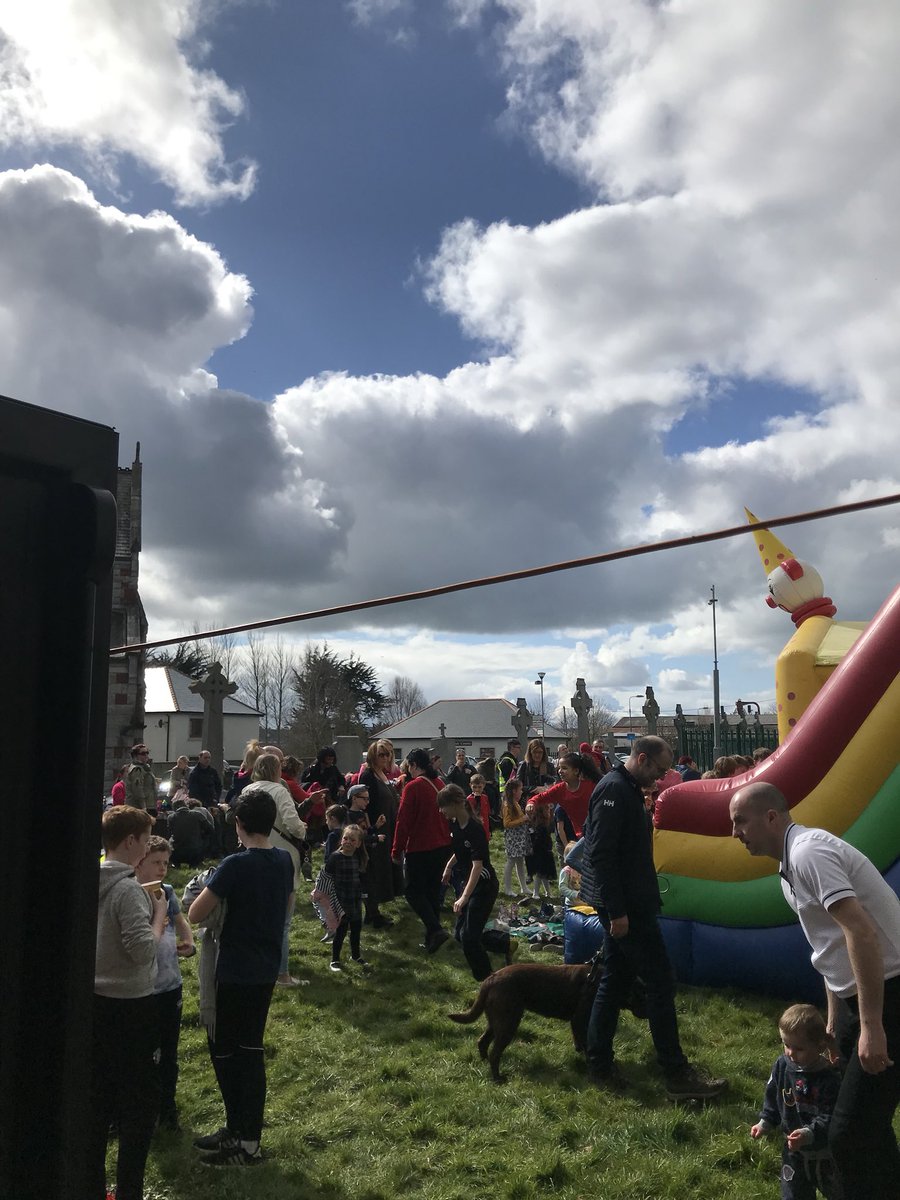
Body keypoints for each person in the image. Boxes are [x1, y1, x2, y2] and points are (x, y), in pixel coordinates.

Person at [730, 781, 900, 1199]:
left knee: (847, 1135)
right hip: (858, 1000)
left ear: (772, 817)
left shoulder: (808, 853)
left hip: (890, 995)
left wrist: (872, 1025)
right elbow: (831, 948)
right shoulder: (788, 867)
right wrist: (833, 1021)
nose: (734, 833)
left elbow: (860, 932)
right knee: (867, 1126)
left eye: (740, 822)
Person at [581, 735, 727, 1100]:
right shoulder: (614, 790)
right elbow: (601, 855)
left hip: (631, 903)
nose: (662, 778)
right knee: (660, 982)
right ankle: (675, 1073)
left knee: (614, 981)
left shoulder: (626, 788)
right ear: (641, 758)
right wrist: (616, 912)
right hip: (626, 907)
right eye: (660, 770)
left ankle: (598, 1062)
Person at [188, 788, 294, 1167]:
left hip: (233, 970)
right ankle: (239, 1130)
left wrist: (206, 886)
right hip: (264, 968)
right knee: (249, 1051)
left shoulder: (235, 864)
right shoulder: (283, 861)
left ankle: (246, 1142)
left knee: (228, 1054)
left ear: (239, 824)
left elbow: (196, 914)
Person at [87, 806, 168, 1200]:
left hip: (95, 1003)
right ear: (131, 841)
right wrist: (159, 917)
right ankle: (129, 1191)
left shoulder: (89, 881)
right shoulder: (128, 890)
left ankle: (93, 1184)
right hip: (131, 1005)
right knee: (139, 1108)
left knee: (98, 1102)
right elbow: (141, 952)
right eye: (146, 838)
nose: (148, 846)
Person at [750, 1003, 843, 1199]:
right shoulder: (783, 1066)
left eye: (799, 1048)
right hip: (793, 1153)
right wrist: (765, 1121)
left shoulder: (829, 1078)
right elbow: (774, 1096)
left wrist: (808, 1133)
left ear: (820, 1046)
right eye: (786, 1045)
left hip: (824, 1155)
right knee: (794, 1195)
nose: (791, 1053)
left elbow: (832, 1116)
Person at [135, 834, 195, 1131]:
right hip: (142, 986)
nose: (161, 869)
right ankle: (139, 1109)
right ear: (139, 863)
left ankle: (167, 1109)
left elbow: (180, 919)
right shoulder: (132, 894)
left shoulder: (167, 891)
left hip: (170, 983)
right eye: (155, 862)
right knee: (145, 1052)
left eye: (165, 863)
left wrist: (188, 940)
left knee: (169, 1053)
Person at [438, 785, 513, 980]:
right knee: (460, 935)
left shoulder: (475, 829)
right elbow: (460, 849)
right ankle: (504, 944)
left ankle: (489, 980)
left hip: (484, 887)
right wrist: (448, 867)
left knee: (470, 938)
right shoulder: (455, 824)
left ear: (456, 804)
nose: (441, 810)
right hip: (470, 884)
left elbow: (477, 867)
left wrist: (463, 897)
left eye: (443, 806)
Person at [251, 752, 307, 987]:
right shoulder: (279, 791)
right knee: (282, 921)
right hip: (282, 855)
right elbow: (294, 824)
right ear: (276, 770)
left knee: (258, 915)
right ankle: (282, 974)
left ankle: (259, 967)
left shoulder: (248, 791)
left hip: (254, 854)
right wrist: (303, 829)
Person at [391, 746, 451, 954]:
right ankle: (431, 939)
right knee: (432, 893)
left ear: (414, 765)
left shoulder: (413, 787)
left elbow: (403, 821)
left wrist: (396, 849)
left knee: (413, 892)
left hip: (420, 847)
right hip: (442, 846)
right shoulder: (440, 783)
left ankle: (435, 929)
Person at [324, 824, 370, 972]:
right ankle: (335, 960)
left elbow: (362, 879)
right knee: (341, 931)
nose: (348, 842)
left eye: (352, 840)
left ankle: (356, 956)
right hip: (340, 900)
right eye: (346, 838)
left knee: (356, 929)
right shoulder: (335, 857)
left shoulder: (359, 858)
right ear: (341, 840)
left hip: (355, 899)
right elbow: (327, 876)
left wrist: (364, 894)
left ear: (359, 843)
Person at [539, 751, 601, 840]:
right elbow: (541, 797)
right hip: (582, 835)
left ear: (576, 771)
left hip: (595, 833)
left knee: (571, 854)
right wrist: (531, 803)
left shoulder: (590, 786)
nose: (560, 771)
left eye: (564, 768)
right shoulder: (560, 788)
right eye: (559, 768)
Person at [501, 776, 530, 897]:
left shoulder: (515, 804)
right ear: (514, 791)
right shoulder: (508, 805)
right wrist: (522, 819)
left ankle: (523, 887)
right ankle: (507, 889)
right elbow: (507, 824)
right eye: (520, 789)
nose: (522, 791)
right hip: (513, 837)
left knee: (520, 861)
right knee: (511, 861)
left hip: (519, 837)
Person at [168, 797, 215, 867]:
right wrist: (201, 836)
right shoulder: (198, 815)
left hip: (177, 853)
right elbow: (210, 829)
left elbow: (170, 832)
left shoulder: (171, 817)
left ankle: (176, 864)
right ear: (186, 806)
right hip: (196, 852)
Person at [525, 800, 555, 899]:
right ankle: (535, 893)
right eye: (547, 809)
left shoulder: (541, 824)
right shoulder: (541, 826)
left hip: (543, 851)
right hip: (541, 852)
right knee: (540, 874)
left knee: (544, 874)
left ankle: (548, 892)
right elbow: (539, 840)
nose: (549, 811)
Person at [124, 743, 158, 815]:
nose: (146, 755)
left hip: (149, 805)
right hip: (139, 807)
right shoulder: (137, 769)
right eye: (143, 753)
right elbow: (137, 789)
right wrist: (143, 808)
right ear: (136, 756)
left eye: (147, 753)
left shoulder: (145, 767)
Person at [467, 774, 492, 839]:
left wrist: (489, 829)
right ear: (470, 785)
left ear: (484, 785)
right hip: (475, 828)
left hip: (485, 826)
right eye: (474, 787)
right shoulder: (469, 799)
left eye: (479, 787)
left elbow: (487, 813)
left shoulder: (485, 797)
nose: (477, 789)